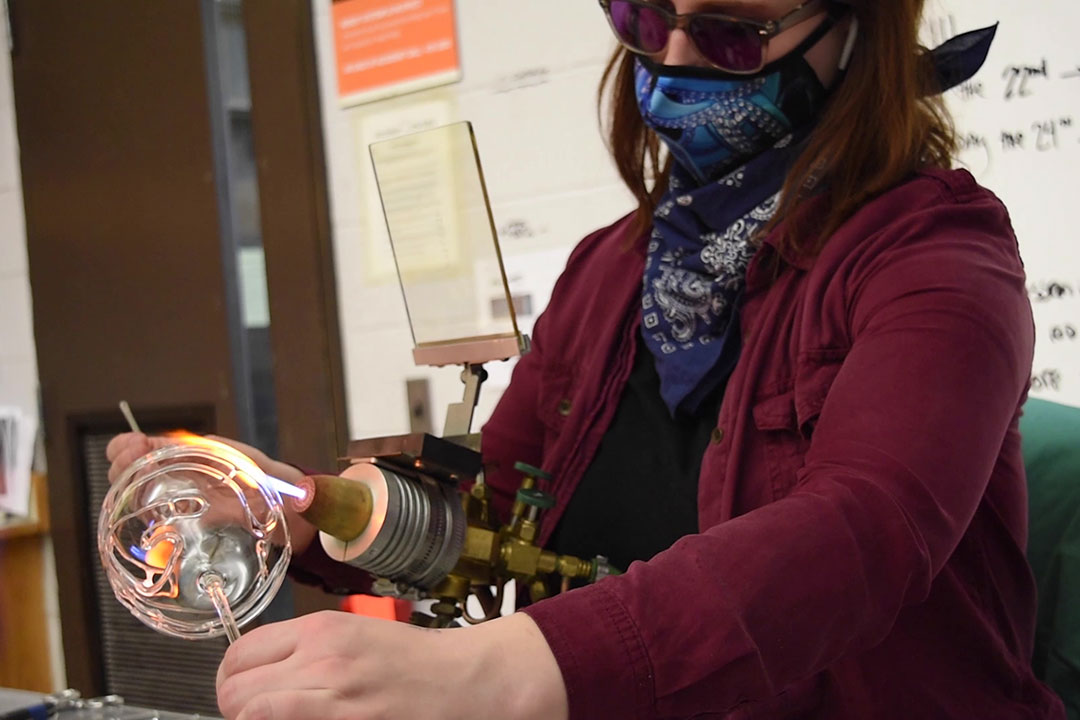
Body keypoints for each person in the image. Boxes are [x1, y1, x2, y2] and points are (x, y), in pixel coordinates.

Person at [107, 0, 1067, 717]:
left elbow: (864, 534)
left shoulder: (938, 258)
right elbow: (488, 509)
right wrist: (305, 511)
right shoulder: (613, 268)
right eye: (646, 19)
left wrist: (507, 667)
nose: (673, 60)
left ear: (855, 35)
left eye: (731, 34)